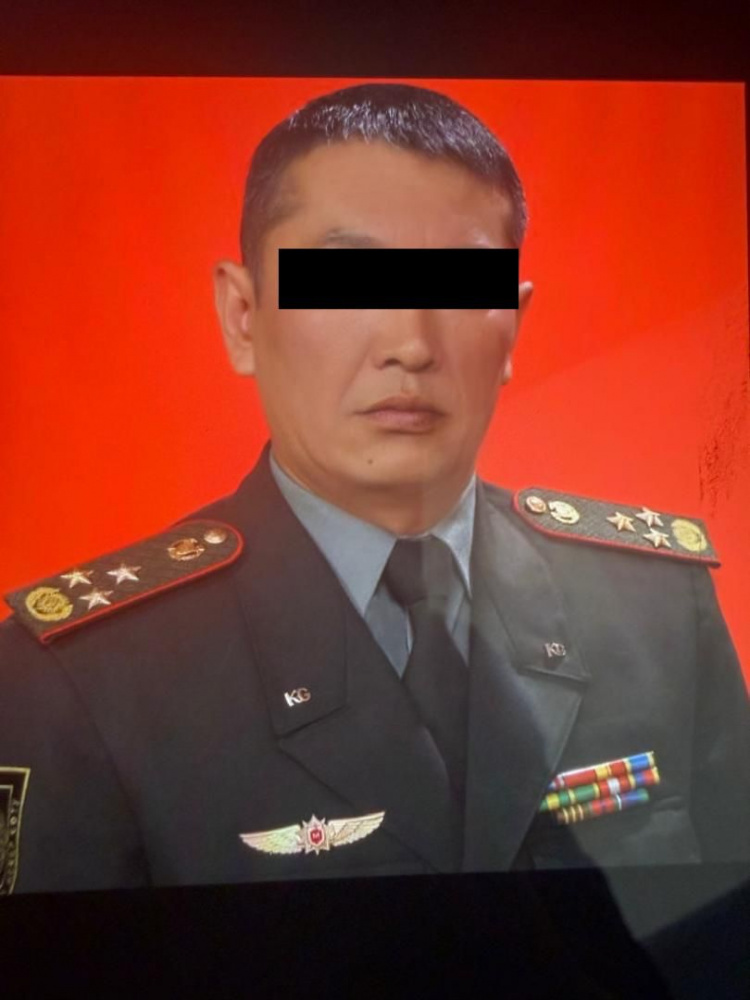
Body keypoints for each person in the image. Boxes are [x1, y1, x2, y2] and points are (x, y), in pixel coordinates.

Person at [0, 82, 747, 895]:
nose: (410, 344)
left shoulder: (656, 612)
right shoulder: (81, 681)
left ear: (513, 328)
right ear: (242, 315)